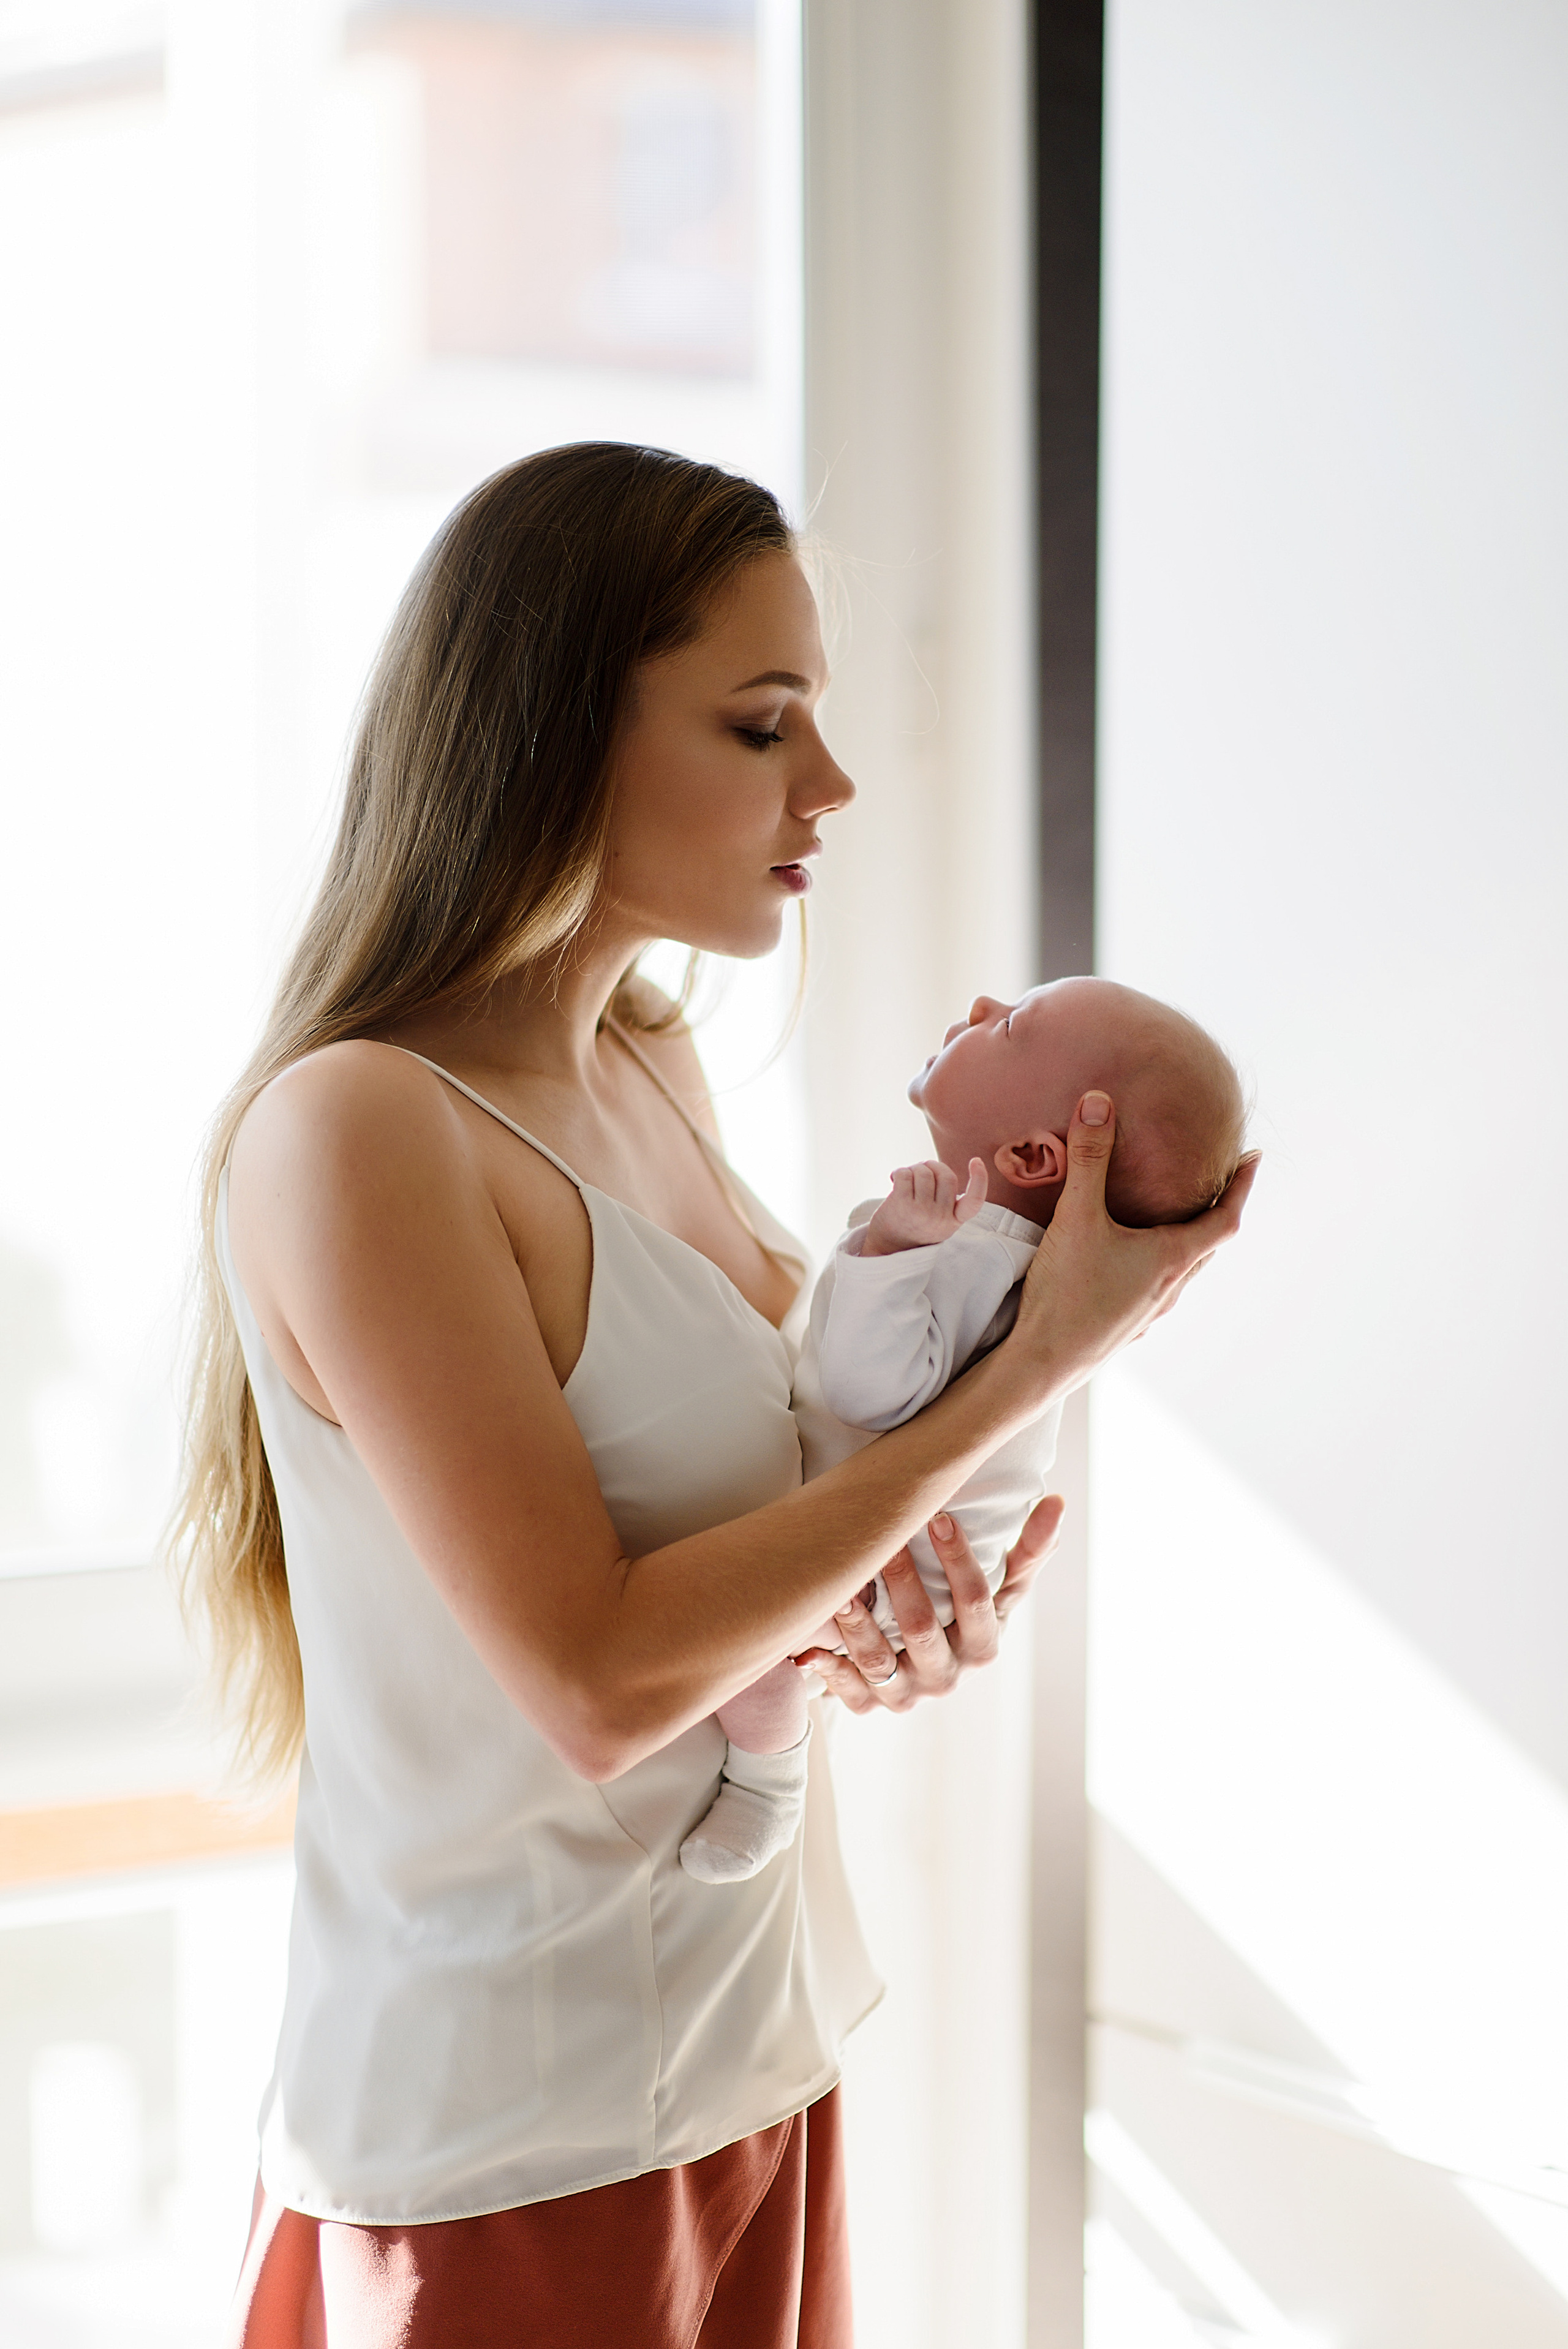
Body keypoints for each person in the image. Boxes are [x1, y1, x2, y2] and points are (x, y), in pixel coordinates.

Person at [173, 442, 1256, 2349]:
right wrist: (1042, 1365)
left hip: (755, 2052)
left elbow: (764, 1526)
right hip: (513, 2143)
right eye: (764, 726)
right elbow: (596, 1677)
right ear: (547, 733)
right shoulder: (360, 1131)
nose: (826, 787)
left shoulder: (649, 1062)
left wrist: (887, 1619)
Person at [681, 977, 1247, 1883]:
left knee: (760, 1667)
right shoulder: (1001, 1265)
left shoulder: (978, 1254)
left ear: (1028, 1154)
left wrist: (893, 1249)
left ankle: (767, 1783)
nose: (983, 1006)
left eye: (1013, 1024)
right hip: (903, 1569)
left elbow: (871, 1390)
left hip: (878, 1580)